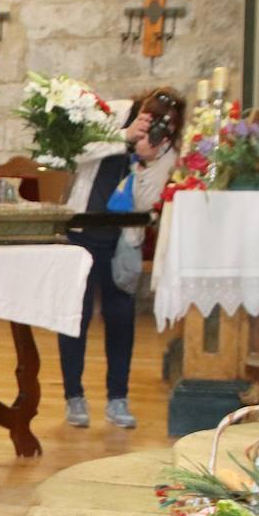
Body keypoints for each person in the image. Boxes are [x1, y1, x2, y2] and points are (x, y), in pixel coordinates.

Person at [59, 87, 185, 430]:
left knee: (120, 320)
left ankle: (118, 399)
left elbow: (145, 203)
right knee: (75, 317)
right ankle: (74, 396)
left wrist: (146, 161)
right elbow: (74, 152)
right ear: (141, 106)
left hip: (123, 242)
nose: (156, 124)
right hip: (81, 231)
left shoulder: (165, 149)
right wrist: (124, 138)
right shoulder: (112, 114)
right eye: (151, 115)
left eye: (166, 122)